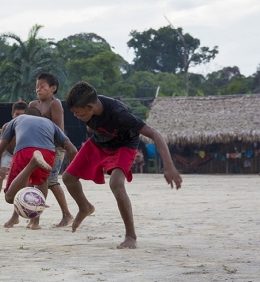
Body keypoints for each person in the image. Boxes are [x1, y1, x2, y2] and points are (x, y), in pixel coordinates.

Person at [62, 81, 182, 249]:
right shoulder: (89, 111)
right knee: (68, 177)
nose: (76, 116)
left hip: (124, 146)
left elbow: (155, 134)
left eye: (78, 114)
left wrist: (169, 166)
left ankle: (130, 236)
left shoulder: (120, 114)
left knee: (116, 183)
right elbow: (92, 126)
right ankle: (85, 207)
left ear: (90, 107)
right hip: (99, 143)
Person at [0, 107, 78, 230]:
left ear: (25, 114)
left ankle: (33, 163)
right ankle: (35, 223)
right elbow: (73, 150)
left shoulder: (17, 120)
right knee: (41, 181)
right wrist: (71, 174)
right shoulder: (50, 123)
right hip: (48, 152)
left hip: (24, 150)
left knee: (10, 197)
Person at [29, 73, 74, 227]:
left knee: (48, 180)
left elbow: (58, 129)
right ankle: (65, 214)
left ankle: (38, 219)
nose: (38, 89)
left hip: (54, 147)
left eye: (42, 86)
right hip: (37, 148)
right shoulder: (33, 105)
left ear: (53, 88)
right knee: (35, 180)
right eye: (37, 86)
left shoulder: (54, 104)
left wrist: (50, 147)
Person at [0, 101, 28, 211]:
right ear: (12, 115)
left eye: (22, 115)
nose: (19, 117)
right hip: (7, 152)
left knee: (28, 175)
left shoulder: (29, 127)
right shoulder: (7, 127)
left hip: (20, 153)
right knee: (1, 173)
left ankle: (30, 199)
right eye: (17, 114)